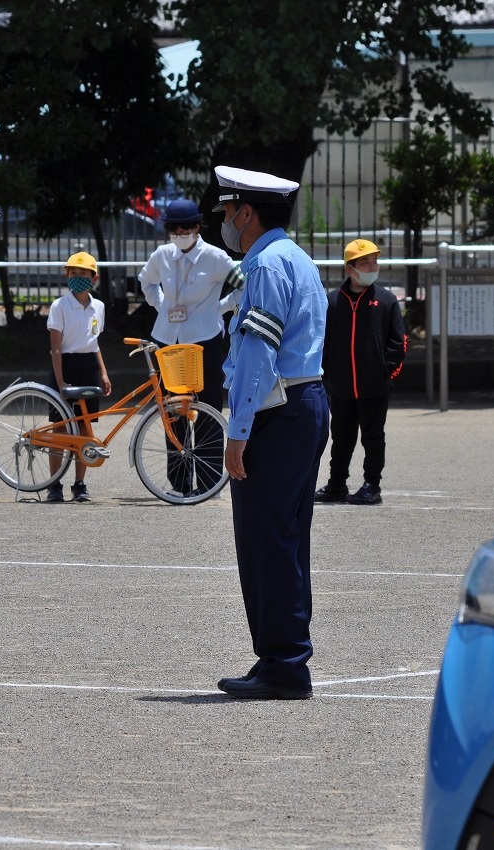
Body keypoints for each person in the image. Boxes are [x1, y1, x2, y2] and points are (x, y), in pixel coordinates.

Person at [214, 165, 329, 701]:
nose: (225, 223)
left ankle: (283, 663)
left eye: (228, 212)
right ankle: (284, 657)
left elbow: (259, 351)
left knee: (265, 541)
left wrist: (237, 430)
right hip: (305, 404)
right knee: (286, 538)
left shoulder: (263, 265)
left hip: (274, 413)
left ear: (247, 212)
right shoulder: (298, 259)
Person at [138, 199, 243, 496]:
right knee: (173, 411)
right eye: (175, 228)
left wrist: (221, 308)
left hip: (204, 340)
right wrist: (160, 305)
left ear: (198, 227)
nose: (181, 232)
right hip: (168, 340)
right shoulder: (162, 255)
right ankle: (180, 484)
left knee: (207, 407)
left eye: (187, 227)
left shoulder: (215, 257)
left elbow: (243, 284)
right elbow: (146, 282)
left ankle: (209, 483)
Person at [314, 239, 407, 506]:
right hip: (341, 386)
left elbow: (399, 342)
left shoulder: (386, 300)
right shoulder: (332, 301)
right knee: (341, 437)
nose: (372, 267)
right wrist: (327, 374)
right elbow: (322, 340)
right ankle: (336, 485)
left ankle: (371, 485)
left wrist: (386, 372)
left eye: (374, 262)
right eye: (365, 262)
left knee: (373, 436)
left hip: (374, 386)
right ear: (350, 268)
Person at [44, 251, 111, 503]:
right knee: (60, 428)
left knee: (85, 428)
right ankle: (54, 484)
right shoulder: (59, 306)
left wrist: (103, 373)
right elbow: (56, 348)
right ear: (66, 275)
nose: (78, 278)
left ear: (94, 278)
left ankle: (79, 483)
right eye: (73, 273)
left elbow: (94, 343)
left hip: (89, 367)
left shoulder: (99, 307)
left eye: (83, 274)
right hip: (65, 364)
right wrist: (60, 381)